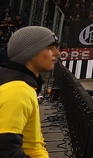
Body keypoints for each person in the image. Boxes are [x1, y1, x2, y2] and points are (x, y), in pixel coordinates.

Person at [0, 26, 59, 158]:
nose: (57, 53)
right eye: (50, 48)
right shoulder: (18, 90)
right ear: (31, 53)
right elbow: (6, 150)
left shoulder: (20, 83)